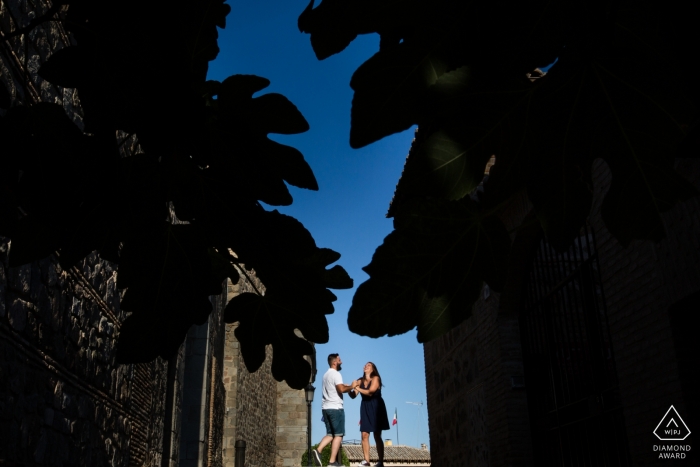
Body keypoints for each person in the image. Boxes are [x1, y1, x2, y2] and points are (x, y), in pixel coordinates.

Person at [312, 353, 360, 466]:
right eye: (339, 360)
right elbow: (341, 389)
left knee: (330, 434)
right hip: (336, 408)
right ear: (334, 362)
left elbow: (339, 388)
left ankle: (318, 451)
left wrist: (347, 387)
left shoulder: (326, 375)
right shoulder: (336, 374)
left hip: (326, 409)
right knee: (339, 435)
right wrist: (352, 386)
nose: (341, 361)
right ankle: (332, 462)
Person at [353, 362, 390, 467]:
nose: (366, 366)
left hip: (376, 406)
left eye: (369, 365)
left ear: (373, 369)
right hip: (365, 407)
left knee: (377, 434)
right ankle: (367, 461)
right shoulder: (360, 380)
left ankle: (380, 462)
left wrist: (357, 388)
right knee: (364, 434)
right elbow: (353, 395)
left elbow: (370, 392)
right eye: (365, 365)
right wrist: (350, 388)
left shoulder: (376, 379)